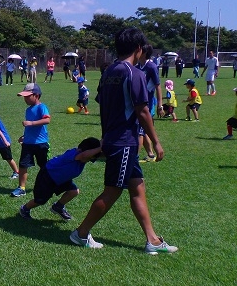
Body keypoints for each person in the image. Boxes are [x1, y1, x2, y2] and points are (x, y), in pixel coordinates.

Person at [69, 27, 178, 254]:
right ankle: (80, 233)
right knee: (113, 191)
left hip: (115, 139)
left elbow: (104, 107)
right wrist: (156, 142)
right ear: (139, 49)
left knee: (138, 188)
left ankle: (153, 240)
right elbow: (143, 111)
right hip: (124, 142)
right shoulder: (134, 73)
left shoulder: (108, 72)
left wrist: (105, 136)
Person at [19, 137, 101, 220]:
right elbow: (85, 155)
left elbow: (100, 155)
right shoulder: (74, 153)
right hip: (48, 176)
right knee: (40, 200)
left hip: (61, 180)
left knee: (74, 191)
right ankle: (25, 209)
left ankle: (58, 207)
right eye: (89, 158)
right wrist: (101, 147)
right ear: (82, 150)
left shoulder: (84, 157)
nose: (89, 160)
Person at [11, 83, 50, 197]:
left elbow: (47, 120)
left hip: (40, 143)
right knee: (23, 165)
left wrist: (31, 123)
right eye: (24, 96)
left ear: (36, 95)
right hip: (28, 143)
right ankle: (21, 188)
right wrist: (24, 136)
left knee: (44, 166)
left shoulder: (41, 107)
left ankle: (47, 185)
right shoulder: (28, 110)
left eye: (27, 96)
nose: (25, 99)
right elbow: (29, 127)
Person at [136, 44, 164, 163]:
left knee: (140, 131)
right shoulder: (138, 66)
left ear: (144, 53)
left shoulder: (151, 66)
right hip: (138, 103)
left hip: (148, 104)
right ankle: (150, 154)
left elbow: (158, 86)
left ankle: (134, 158)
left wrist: (160, 105)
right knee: (143, 129)